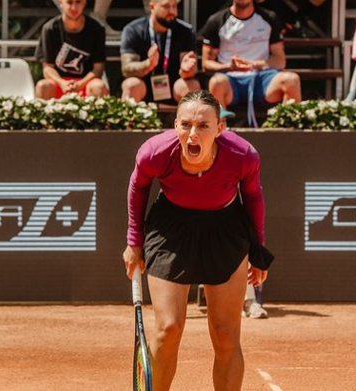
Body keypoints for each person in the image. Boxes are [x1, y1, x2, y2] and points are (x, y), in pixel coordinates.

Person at [124, 90, 274, 391]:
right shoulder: (154, 152)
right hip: (171, 229)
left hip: (226, 228)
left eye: (203, 126)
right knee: (168, 329)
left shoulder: (242, 155)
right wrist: (134, 241)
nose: (193, 133)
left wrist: (258, 249)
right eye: (186, 125)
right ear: (175, 125)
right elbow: (138, 187)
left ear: (220, 128)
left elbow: (254, 196)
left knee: (225, 334)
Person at [201, 0, 301, 128]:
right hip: (230, 81)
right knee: (216, 82)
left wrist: (253, 64)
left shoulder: (269, 18)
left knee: (291, 80)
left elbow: (280, 61)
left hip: (262, 79)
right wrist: (229, 66)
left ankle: (289, 134)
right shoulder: (216, 20)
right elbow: (206, 63)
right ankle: (220, 133)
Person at [120, 0, 200, 104]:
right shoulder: (133, 30)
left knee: (191, 86)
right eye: (166, 6)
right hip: (145, 85)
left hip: (174, 85)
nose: (172, 11)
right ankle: (128, 119)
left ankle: (191, 120)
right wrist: (148, 64)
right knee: (131, 85)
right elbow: (126, 69)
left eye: (174, 6)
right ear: (152, 7)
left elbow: (190, 67)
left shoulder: (186, 31)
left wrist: (186, 71)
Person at [34, 0, 108, 99]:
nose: (74, 7)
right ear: (61, 3)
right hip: (59, 82)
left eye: (78, 2)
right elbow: (47, 68)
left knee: (98, 86)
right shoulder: (50, 29)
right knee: (43, 86)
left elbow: (98, 69)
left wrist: (80, 84)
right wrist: (62, 83)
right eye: (69, 2)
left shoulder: (96, 29)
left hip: (86, 82)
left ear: (84, 3)